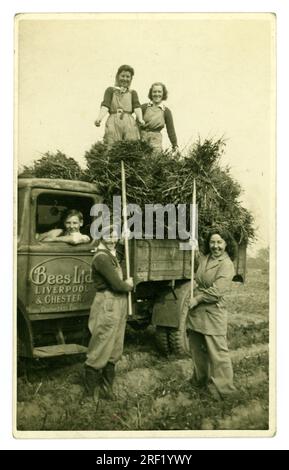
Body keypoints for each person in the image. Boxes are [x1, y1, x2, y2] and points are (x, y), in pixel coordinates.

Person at [187, 229, 238, 400]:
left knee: (218, 353)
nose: (215, 246)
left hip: (213, 311)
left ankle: (226, 391)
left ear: (226, 244)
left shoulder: (227, 264)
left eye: (219, 242)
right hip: (198, 314)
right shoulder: (205, 258)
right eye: (212, 242)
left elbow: (217, 292)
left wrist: (197, 298)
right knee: (197, 350)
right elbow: (198, 276)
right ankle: (200, 382)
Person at [84, 226, 133, 402]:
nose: (112, 239)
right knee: (101, 344)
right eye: (108, 236)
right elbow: (117, 285)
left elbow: (119, 254)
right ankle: (89, 395)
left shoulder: (111, 255)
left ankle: (106, 390)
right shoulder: (101, 257)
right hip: (108, 303)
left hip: (118, 303)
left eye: (115, 236)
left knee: (115, 347)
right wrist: (128, 285)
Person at [94, 64, 145, 147]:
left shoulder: (133, 93)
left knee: (130, 146)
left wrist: (141, 119)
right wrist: (99, 118)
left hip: (129, 121)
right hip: (113, 121)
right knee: (112, 145)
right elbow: (105, 105)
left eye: (128, 77)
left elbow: (137, 107)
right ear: (118, 76)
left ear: (131, 79)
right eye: (123, 76)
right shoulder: (110, 90)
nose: (125, 79)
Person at [140, 82, 178, 153]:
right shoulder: (144, 107)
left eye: (159, 92)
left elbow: (170, 130)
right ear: (151, 93)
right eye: (154, 92)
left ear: (163, 94)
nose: (157, 94)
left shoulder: (166, 111)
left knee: (154, 161)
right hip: (142, 140)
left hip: (156, 142)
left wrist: (175, 145)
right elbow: (136, 125)